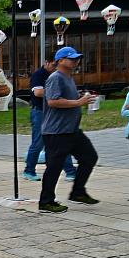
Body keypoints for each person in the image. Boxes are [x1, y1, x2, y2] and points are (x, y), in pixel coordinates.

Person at [38, 47, 99, 213]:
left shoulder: (68, 78)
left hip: (71, 130)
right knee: (54, 167)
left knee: (89, 157)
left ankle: (78, 192)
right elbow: (53, 101)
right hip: (56, 132)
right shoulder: (55, 78)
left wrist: (81, 99)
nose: (76, 61)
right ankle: (46, 201)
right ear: (60, 61)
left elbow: (67, 100)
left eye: (77, 58)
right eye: (72, 58)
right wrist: (78, 103)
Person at [23, 56, 76, 182]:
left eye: (56, 66)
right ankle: (29, 170)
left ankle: (70, 171)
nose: (54, 68)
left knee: (59, 142)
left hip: (55, 114)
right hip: (40, 112)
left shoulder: (60, 75)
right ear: (46, 63)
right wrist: (55, 91)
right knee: (38, 143)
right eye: (53, 65)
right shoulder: (39, 75)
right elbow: (38, 92)